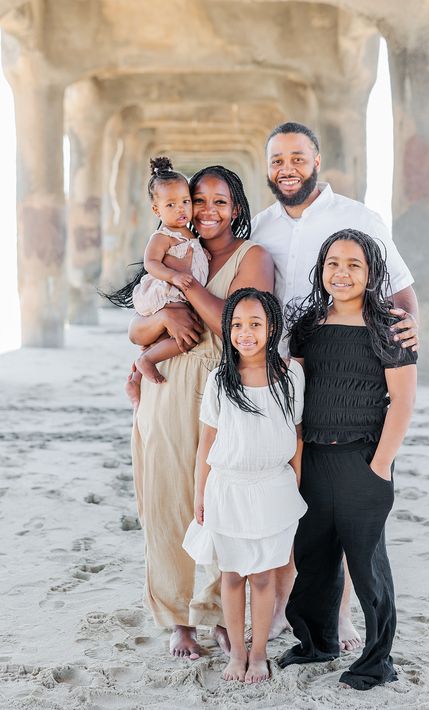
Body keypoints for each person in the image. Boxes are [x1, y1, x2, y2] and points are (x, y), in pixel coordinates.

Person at [251, 121, 419, 649]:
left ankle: (344, 617)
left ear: (316, 161)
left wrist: (411, 336)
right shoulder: (259, 227)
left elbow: (402, 291)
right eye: (278, 159)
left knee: (349, 512)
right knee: (299, 503)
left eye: (298, 158)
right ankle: (289, 610)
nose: (287, 168)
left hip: (352, 382)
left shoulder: (357, 218)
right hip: (285, 377)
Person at [126, 166, 274, 659]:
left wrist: (186, 291)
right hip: (169, 387)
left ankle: (217, 614)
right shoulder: (173, 251)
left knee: (217, 500)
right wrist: (162, 318)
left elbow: (231, 323)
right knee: (168, 498)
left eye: (220, 202)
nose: (206, 211)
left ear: (237, 209)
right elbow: (135, 331)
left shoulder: (253, 258)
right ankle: (176, 619)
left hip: (223, 387)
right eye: (198, 200)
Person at [278, 228, 417, 690]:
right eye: (333, 263)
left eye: (354, 264)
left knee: (367, 565)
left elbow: (401, 403)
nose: (342, 273)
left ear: (372, 272)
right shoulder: (307, 327)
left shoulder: (391, 327)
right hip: (314, 458)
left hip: (364, 459)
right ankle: (316, 642)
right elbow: (295, 397)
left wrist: (380, 466)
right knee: (313, 558)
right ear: (321, 270)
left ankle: (376, 661)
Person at [182, 288, 307, 683]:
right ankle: (236, 654)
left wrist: (296, 488)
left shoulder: (291, 376)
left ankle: (258, 654)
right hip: (229, 489)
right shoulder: (221, 379)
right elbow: (207, 442)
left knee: (266, 576)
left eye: (255, 324)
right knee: (233, 575)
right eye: (237, 324)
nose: (245, 332)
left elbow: (297, 437)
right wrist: (200, 493)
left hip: (274, 488)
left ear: (272, 329)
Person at [104, 156, 209, 400]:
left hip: (181, 294)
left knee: (172, 337)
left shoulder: (191, 235)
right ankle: (146, 360)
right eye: (170, 205)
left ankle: (138, 375)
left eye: (185, 201)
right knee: (188, 336)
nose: (180, 209)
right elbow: (151, 263)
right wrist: (173, 275)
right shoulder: (163, 236)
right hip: (167, 294)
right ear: (156, 209)